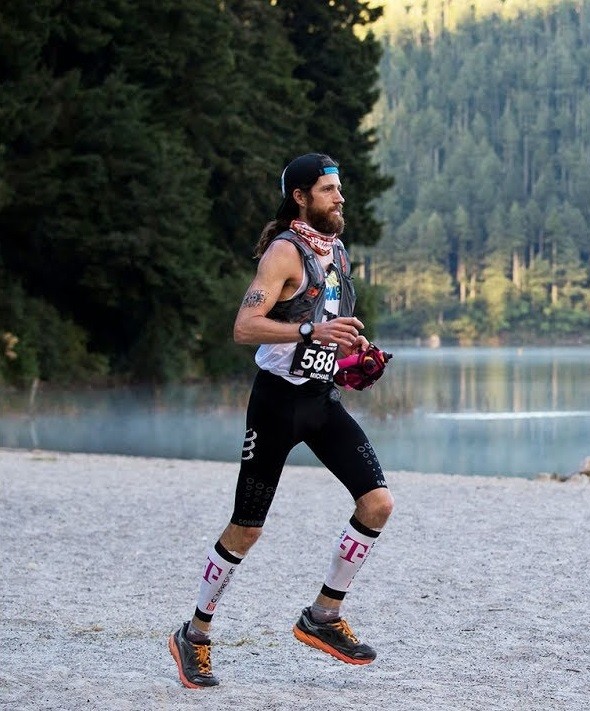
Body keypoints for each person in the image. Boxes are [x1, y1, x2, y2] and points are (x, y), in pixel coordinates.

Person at [168, 153, 394, 688]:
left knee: (378, 503)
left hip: (320, 399)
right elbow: (245, 326)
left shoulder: (336, 251)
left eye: (339, 188)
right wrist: (310, 334)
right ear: (301, 196)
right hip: (275, 405)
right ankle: (193, 635)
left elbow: (326, 323)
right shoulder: (284, 253)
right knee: (247, 529)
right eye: (328, 189)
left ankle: (323, 616)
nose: (340, 197)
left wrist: (352, 349)